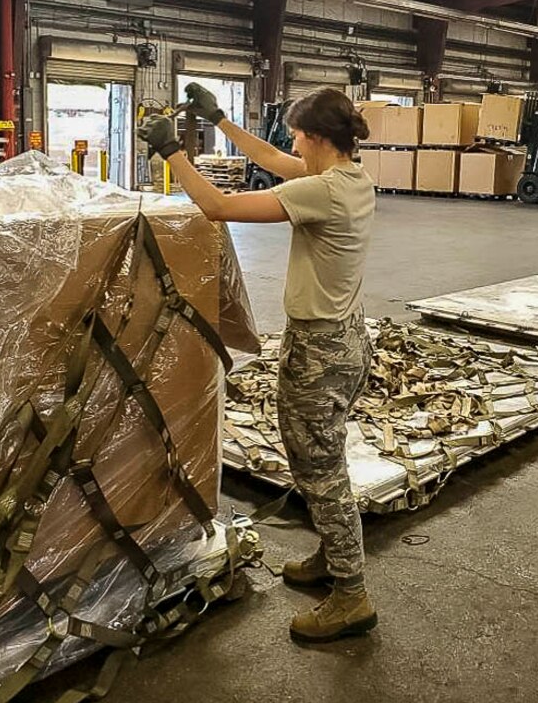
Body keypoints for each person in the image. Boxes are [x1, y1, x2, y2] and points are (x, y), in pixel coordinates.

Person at [139, 82, 376, 644]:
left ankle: (351, 594)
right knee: (322, 459)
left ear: (318, 139)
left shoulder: (324, 193)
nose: (292, 143)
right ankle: (333, 553)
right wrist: (219, 119)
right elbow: (271, 160)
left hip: (320, 352)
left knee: (320, 469)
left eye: (298, 134)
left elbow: (219, 207)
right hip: (344, 341)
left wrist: (173, 151)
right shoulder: (351, 178)